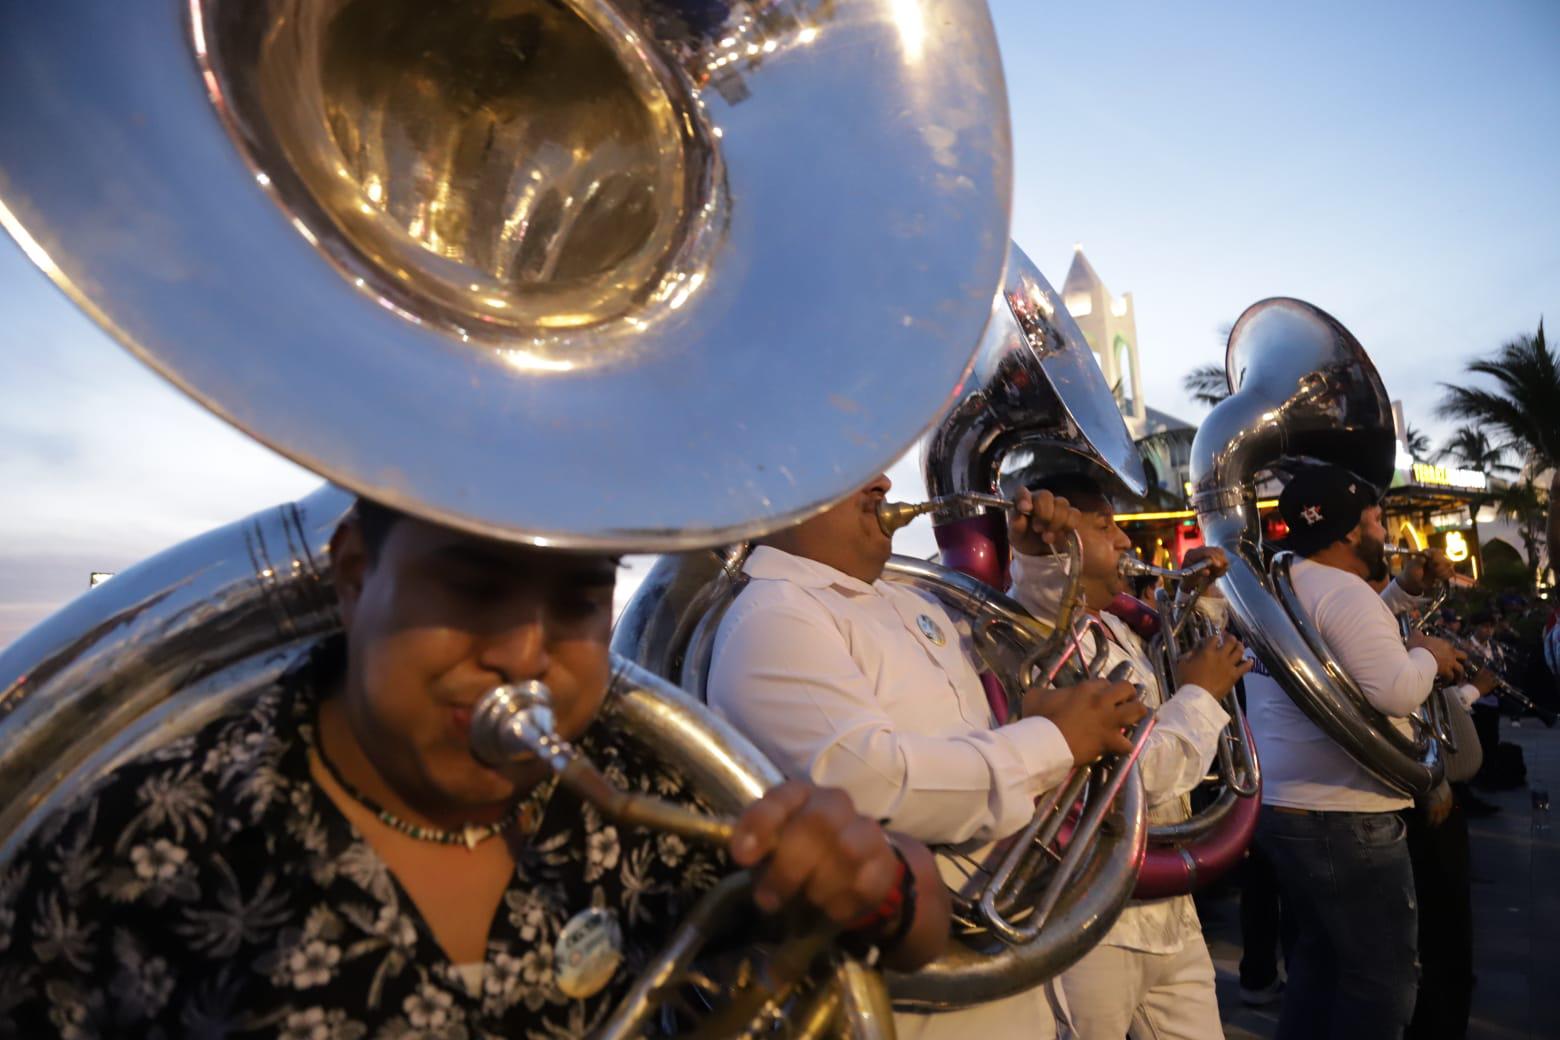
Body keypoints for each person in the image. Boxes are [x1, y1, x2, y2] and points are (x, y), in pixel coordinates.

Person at [0, 499, 951, 1037]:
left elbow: (911, 923)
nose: (526, 653)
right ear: (354, 575)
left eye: (579, 600)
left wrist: (882, 883)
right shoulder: (133, 849)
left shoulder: (630, 785)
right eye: (474, 586)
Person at [706, 472, 1148, 1039]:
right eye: (845, 465)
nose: (884, 479)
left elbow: (1025, 655)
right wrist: (1054, 741)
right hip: (925, 1011)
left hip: (1011, 976)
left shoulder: (906, 597)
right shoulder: (773, 616)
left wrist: (1039, 566)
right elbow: (867, 785)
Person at [1004, 471, 1248, 1040]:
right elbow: (1136, 775)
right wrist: (1200, 695)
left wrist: (1204, 601)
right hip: (1089, 919)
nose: (1125, 542)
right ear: (1062, 532)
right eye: (1103, 524)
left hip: (1168, 914)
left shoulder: (1113, 624)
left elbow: (1172, 687)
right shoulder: (1030, 629)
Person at [1243, 464, 1472, 1040]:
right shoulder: (1345, 592)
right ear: (1348, 532)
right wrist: (1431, 657)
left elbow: (1340, 643)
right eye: (1375, 519)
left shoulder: (1283, 581)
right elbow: (1393, 688)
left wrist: (1398, 596)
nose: (1384, 531)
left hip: (1286, 806)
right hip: (1345, 816)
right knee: (1382, 981)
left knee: (1319, 968)